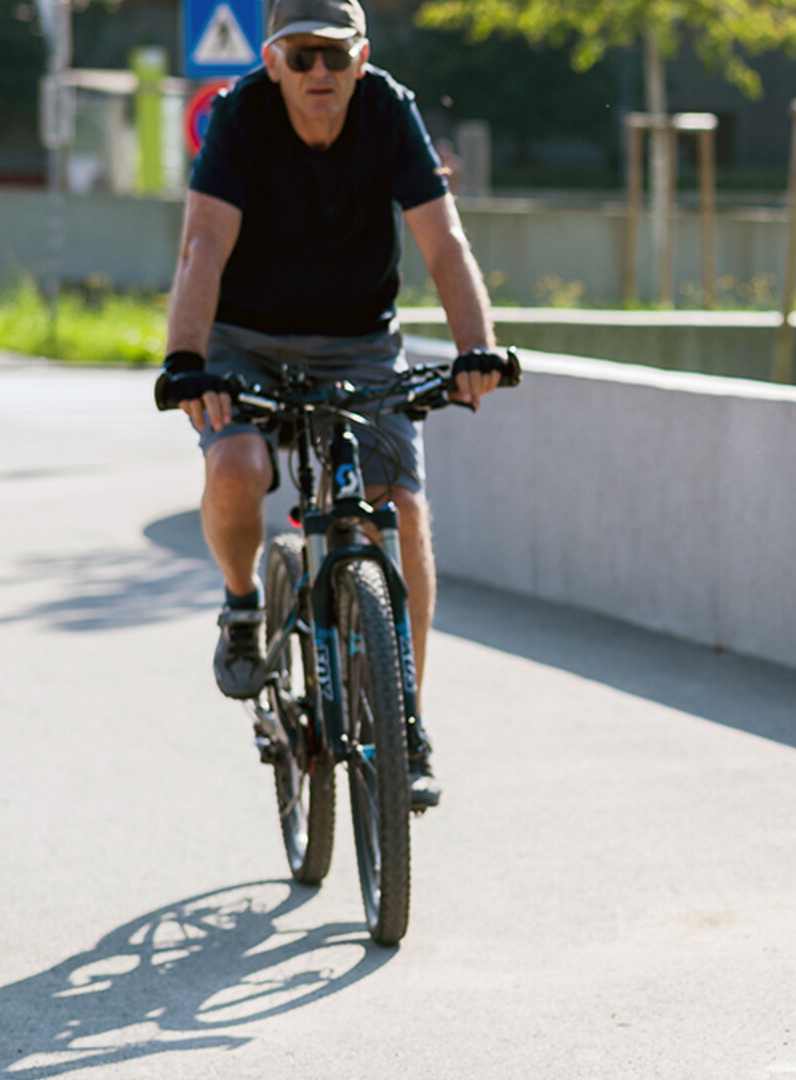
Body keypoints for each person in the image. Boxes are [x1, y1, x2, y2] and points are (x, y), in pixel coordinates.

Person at [154, 0, 508, 810]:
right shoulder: (241, 118)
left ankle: (406, 721)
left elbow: (443, 240)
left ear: (361, 57)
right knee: (240, 466)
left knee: (405, 514)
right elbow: (202, 242)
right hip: (242, 339)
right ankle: (243, 606)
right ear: (273, 60)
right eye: (302, 55)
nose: (321, 73)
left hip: (357, 343)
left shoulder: (388, 110)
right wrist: (186, 362)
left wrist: (475, 348)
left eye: (336, 57)